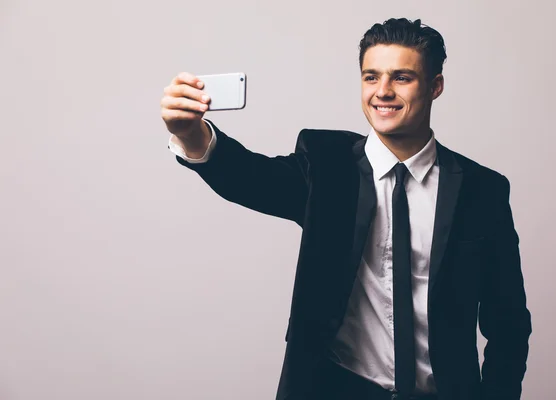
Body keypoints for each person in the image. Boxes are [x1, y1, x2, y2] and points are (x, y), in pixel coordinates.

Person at [160, 17, 532, 400]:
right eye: (371, 77)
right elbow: (250, 177)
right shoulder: (326, 167)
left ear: (435, 86)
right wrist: (192, 134)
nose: (382, 91)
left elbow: (508, 324)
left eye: (402, 78)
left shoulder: (481, 190)